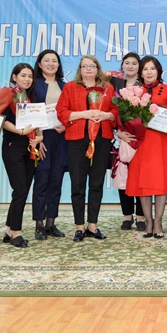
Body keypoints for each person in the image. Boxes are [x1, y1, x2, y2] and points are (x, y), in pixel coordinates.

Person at [56, 55, 118, 242]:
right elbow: (61, 112)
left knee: (96, 184)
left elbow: (116, 112)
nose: (88, 69)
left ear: (98, 69)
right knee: (78, 184)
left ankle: (93, 225)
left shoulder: (108, 88)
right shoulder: (70, 87)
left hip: (102, 140)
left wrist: (106, 115)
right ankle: (79, 227)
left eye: (92, 66)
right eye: (84, 66)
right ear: (80, 69)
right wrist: (85, 114)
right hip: (77, 140)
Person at [124, 56, 167, 239]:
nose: (149, 72)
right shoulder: (133, 92)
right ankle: (148, 222)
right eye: (145, 69)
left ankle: (158, 221)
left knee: (161, 182)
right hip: (142, 143)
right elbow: (127, 118)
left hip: (162, 142)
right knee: (144, 184)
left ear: (158, 71)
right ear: (140, 72)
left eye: (152, 68)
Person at [1, 63, 43, 248]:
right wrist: (20, 131)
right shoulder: (7, 94)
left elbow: (38, 122)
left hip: (30, 147)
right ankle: (16, 233)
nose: (27, 79)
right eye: (23, 75)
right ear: (14, 76)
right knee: (19, 189)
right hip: (13, 145)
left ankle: (9, 229)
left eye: (30, 76)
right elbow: (1, 120)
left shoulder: (31, 97)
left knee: (23, 189)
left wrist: (39, 137)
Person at [31, 49, 68, 240]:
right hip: (42, 138)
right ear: (39, 64)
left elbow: (70, 110)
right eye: (47, 60)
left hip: (61, 138)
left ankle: (51, 223)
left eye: (54, 61)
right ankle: (39, 223)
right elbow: (28, 111)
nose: (51, 64)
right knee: (42, 181)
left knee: (56, 181)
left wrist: (67, 125)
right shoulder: (33, 84)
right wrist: (37, 135)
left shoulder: (65, 85)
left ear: (59, 65)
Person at [109, 52, 146, 232]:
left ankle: (141, 216)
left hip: (142, 139)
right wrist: (119, 132)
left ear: (139, 67)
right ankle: (127, 216)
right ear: (122, 66)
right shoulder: (114, 85)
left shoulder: (145, 87)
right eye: (127, 63)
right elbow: (110, 110)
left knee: (140, 177)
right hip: (121, 138)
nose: (130, 66)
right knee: (123, 176)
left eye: (134, 63)